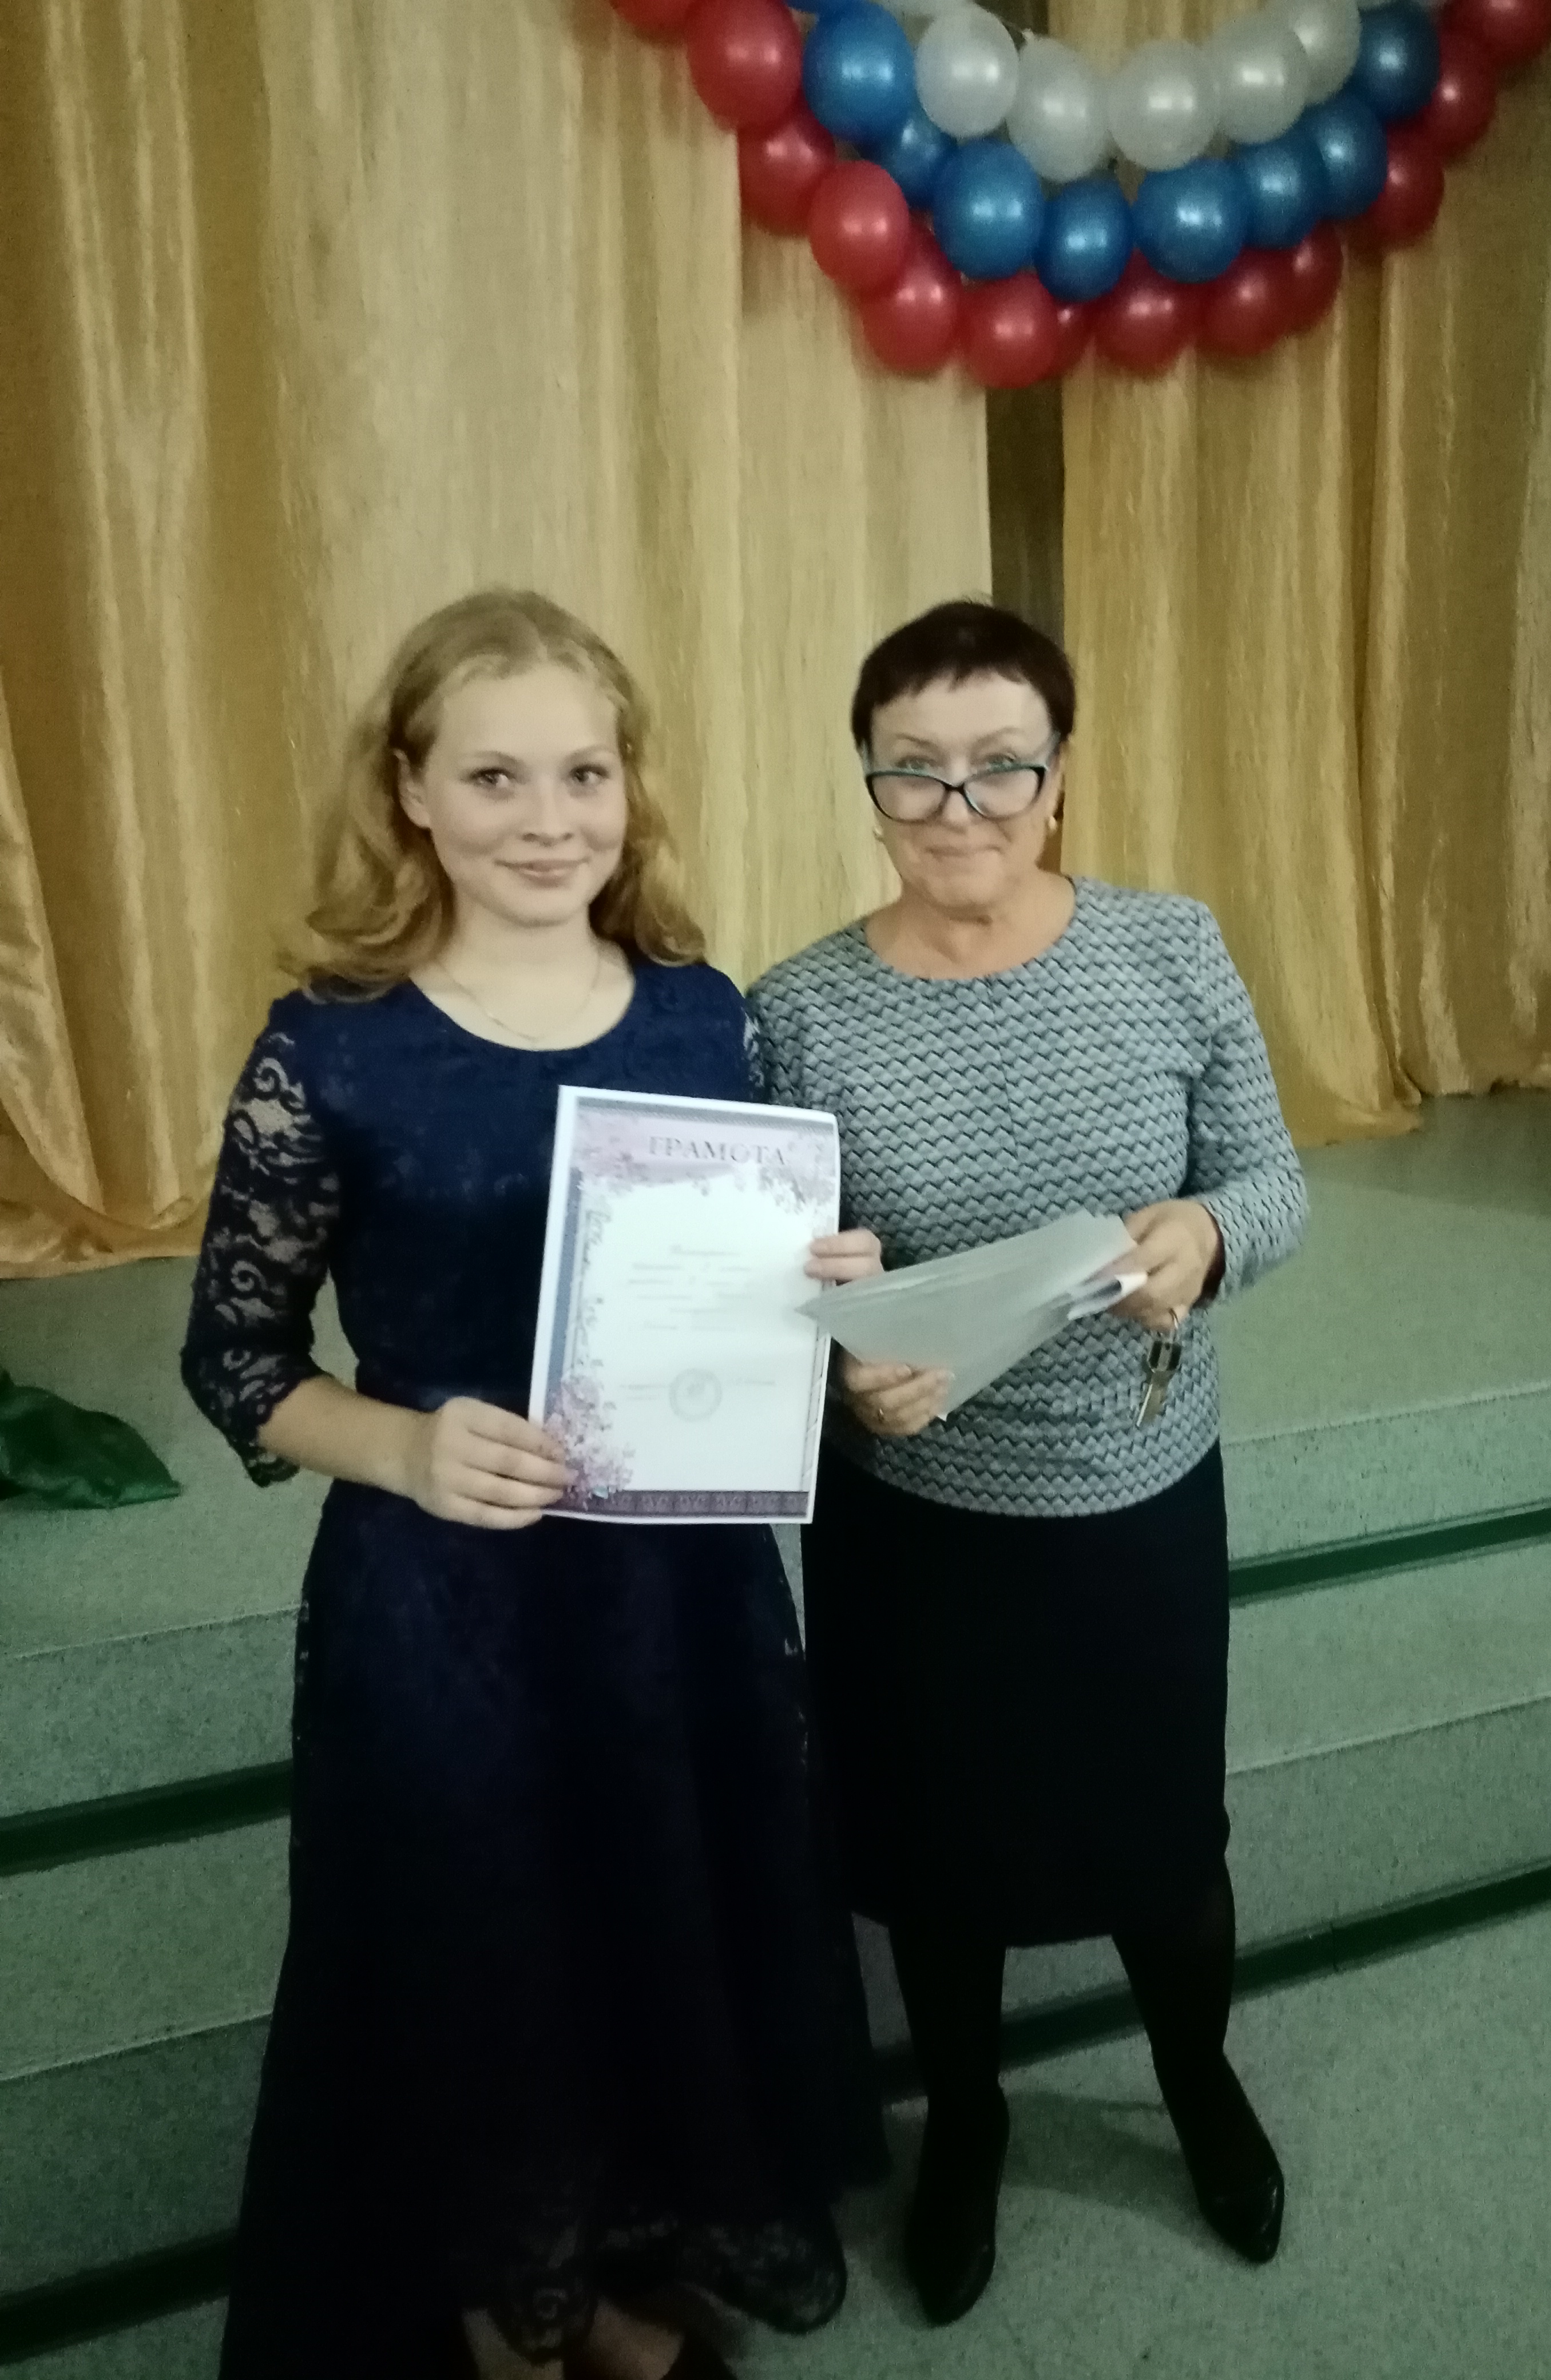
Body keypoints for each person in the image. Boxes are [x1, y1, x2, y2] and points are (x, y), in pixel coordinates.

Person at [181, 589, 886, 2380]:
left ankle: (618, 2291)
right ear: (411, 793)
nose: (549, 818)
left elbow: (740, 1296)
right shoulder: (330, 1047)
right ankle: (512, 2324)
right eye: (494, 776)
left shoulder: (703, 1016)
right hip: (452, 1605)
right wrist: (403, 1445)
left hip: (679, 1594)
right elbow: (237, 1361)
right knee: (491, 1961)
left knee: (658, 1931)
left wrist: (822, 1288)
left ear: (630, 786)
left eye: (585, 772)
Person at [748, 599, 1308, 2327]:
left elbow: (1274, 1183)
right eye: (913, 771)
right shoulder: (798, 1015)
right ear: (868, 788)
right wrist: (837, 1362)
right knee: (941, 1855)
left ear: (1060, 781)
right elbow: (766, 1293)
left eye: (1001, 766)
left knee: (1165, 1840)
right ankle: (969, 2123)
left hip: (1136, 1496)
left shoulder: (1172, 948)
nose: (959, 807)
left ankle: (1196, 2076)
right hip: (916, 1519)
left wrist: (1209, 1236)